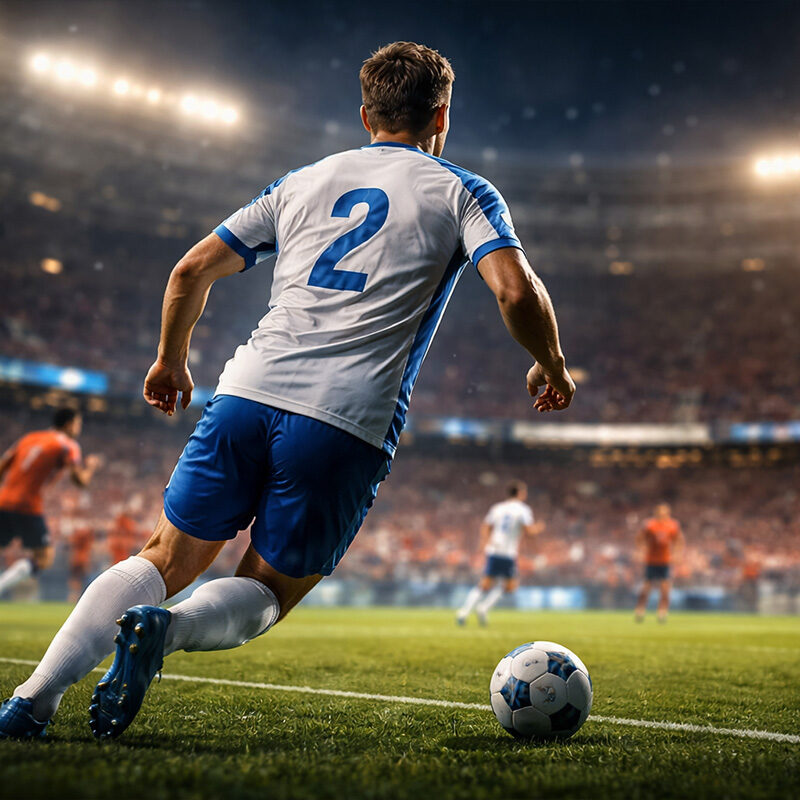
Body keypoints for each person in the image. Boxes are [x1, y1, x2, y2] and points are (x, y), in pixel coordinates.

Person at [0, 41, 575, 741]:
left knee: (162, 557)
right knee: (268, 591)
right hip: (344, 419)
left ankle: (31, 700)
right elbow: (514, 289)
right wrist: (550, 361)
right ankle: (169, 631)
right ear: (442, 117)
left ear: (365, 114)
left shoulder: (302, 181)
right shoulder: (462, 190)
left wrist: (170, 362)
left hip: (243, 394)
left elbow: (189, 272)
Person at [0, 408, 100, 599]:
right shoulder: (68, 445)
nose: (78, 429)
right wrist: (92, 467)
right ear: (70, 424)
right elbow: (80, 481)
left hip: (3, 500)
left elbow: (2, 466)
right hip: (29, 505)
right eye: (78, 424)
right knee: (44, 557)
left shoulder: (29, 438)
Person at [456, 480, 542, 625]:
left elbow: (486, 526)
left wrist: (483, 543)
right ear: (520, 493)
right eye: (524, 491)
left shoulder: (497, 508)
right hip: (508, 553)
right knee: (509, 586)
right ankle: (482, 608)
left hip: (494, 549)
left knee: (486, 583)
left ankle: (465, 611)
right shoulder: (523, 510)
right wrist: (539, 527)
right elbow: (529, 531)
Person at [634, 503, 685, 623]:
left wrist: (677, 553)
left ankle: (662, 612)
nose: (662, 515)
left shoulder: (673, 525)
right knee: (646, 587)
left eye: (665, 513)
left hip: (665, 560)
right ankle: (640, 610)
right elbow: (639, 538)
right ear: (656, 513)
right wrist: (640, 550)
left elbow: (679, 540)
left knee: (665, 588)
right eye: (660, 513)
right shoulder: (650, 525)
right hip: (651, 560)